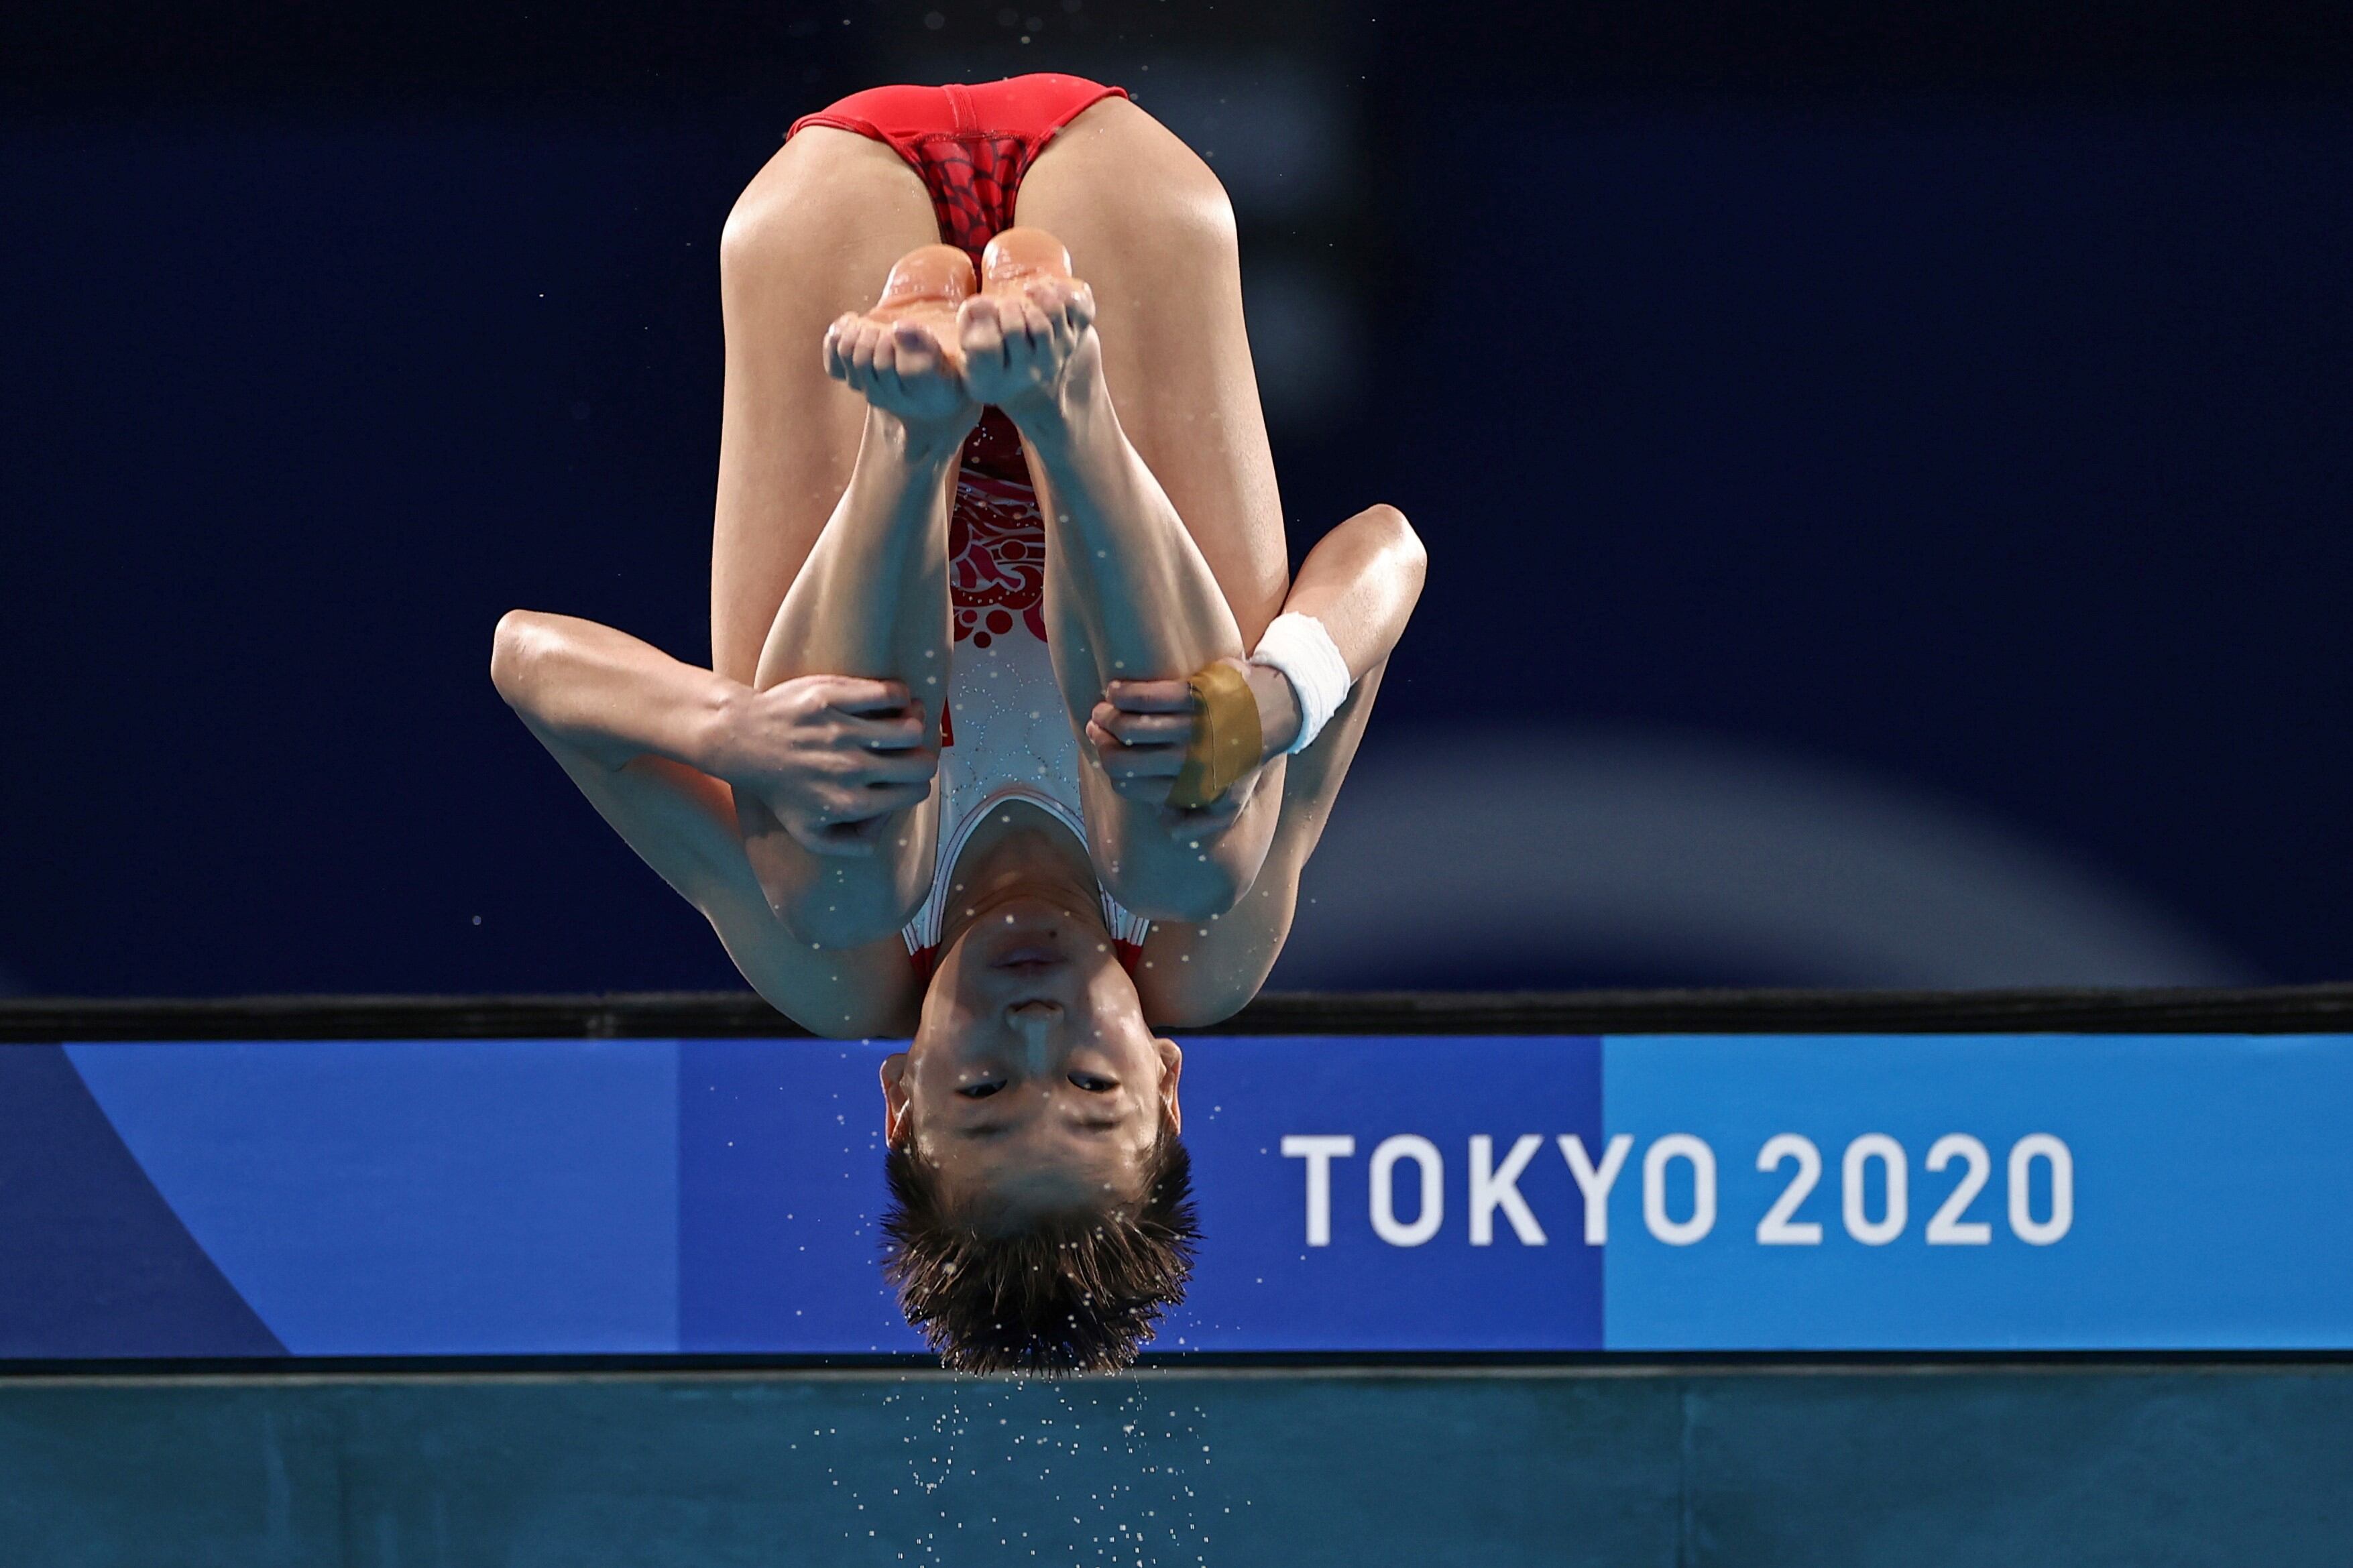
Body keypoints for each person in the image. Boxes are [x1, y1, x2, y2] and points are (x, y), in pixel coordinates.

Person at [489, 74, 1425, 1371]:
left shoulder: (832, 961)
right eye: (1091, 1091)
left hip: (837, 241)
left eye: (982, 1095)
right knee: (1193, 855)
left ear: (898, 1099)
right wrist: (1273, 701)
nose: (1032, 1031)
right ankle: (1067, 407)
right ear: (1164, 1082)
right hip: (1116, 219)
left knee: (834, 887)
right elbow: (1386, 551)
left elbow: (528, 659)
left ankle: (907, 445)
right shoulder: (1203, 947)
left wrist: (730, 733)